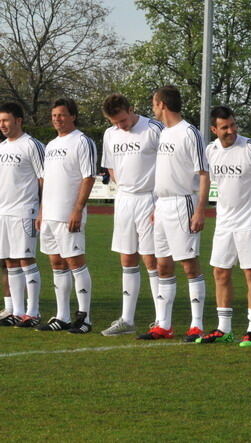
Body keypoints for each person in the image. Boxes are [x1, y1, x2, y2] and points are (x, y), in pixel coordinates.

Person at [197, 106, 251, 347]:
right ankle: (224, 328)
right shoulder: (210, 151)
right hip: (224, 222)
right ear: (214, 130)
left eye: (232, 125)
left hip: (250, 222)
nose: (230, 130)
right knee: (220, 272)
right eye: (224, 127)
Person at [141, 85, 209, 341]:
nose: (153, 108)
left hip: (183, 203)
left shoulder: (189, 132)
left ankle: (197, 325)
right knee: (163, 265)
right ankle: (164, 325)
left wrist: (200, 209)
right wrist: (156, 206)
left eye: (154, 103)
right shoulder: (164, 133)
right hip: (162, 205)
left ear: (163, 104)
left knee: (189, 265)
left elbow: (203, 174)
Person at [98, 93, 162, 336]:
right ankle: (127, 319)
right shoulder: (110, 134)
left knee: (151, 259)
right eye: (115, 122)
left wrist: (159, 200)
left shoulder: (153, 128)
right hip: (124, 199)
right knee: (127, 258)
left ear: (130, 109)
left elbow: (168, 162)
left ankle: (160, 319)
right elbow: (110, 166)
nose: (120, 126)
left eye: (123, 120)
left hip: (150, 198)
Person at [35, 98, 96, 333]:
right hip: (49, 215)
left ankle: (85, 318)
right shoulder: (50, 145)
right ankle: (62, 316)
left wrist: (77, 209)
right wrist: (41, 210)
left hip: (69, 215)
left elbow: (88, 177)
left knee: (75, 262)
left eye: (61, 115)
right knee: (56, 264)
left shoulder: (82, 141)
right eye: (53, 116)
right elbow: (46, 181)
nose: (56, 119)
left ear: (73, 116)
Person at [0, 102, 44, 328]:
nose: (2, 125)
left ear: (19, 121)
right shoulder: (2, 147)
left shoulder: (32, 145)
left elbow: (44, 179)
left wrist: (42, 209)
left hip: (24, 210)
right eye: (0, 121)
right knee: (10, 261)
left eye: (6, 120)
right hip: (4, 212)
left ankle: (33, 311)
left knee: (26, 260)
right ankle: (16, 311)